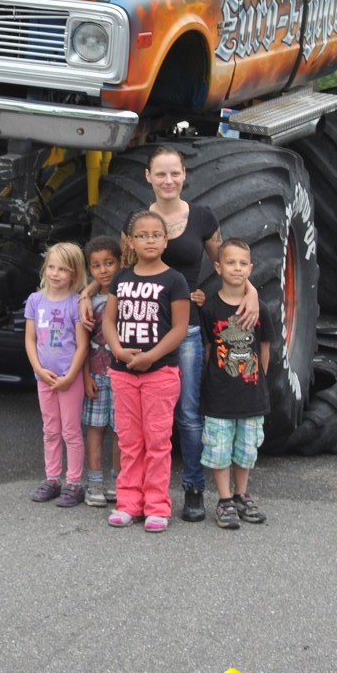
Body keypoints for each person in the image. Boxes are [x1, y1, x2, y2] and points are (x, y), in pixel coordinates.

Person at [80, 145, 259, 523]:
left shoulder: (202, 217)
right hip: (138, 335)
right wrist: (87, 293)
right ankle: (134, 496)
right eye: (160, 174)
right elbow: (117, 271)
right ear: (148, 177)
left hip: (186, 328)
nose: (168, 180)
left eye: (174, 173)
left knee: (188, 415)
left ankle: (193, 489)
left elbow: (225, 260)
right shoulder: (138, 221)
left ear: (183, 174)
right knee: (135, 425)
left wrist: (252, 291)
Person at [102, 210, 190, 533]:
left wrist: (150, 356)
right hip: (123, 373)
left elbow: (179, 329)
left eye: (156, 235)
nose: (149, 240)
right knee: (129, 440)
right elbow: (109, 321)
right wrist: (118, 350)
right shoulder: (121, 279)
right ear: (130, 241)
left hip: (160, 372)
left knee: (157, 440)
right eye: (142, 235)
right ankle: (128, 503)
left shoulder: (174, 280)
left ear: (166, 240)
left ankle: (156, 505)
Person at [200, 239, 272, 529]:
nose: (237, 268)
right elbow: (207, 350)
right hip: (219, 395)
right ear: (218, 267)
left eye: (243, 263)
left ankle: (242, 495)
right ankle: (224, 499)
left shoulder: (260, 309)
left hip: (252, 394)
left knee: (246, 449)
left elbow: (265, 347)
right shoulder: (210, 308)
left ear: (251, 267)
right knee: (218, 449)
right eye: (231, 262)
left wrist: (260, 379)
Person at [24, 242, 89, 507]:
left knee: (71, 431)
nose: (55, 273)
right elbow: (29, 340)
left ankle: (74, 483)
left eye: (63, 269)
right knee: (50, 429)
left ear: (74, 273)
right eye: (51, 267)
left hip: (68, 379)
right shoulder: (35, 300)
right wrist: (38, 369)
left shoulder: (76, 303)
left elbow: (82, 344)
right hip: (44, 378)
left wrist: (70, 376)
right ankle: (52, 479)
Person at [81, 235, 122, 507]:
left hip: (123, 375)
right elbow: (83, 342)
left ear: (120, 263)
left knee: (121, 431)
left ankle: (119, 481)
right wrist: (85, 376)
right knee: (96, 428)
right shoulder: (88, 301)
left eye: (109, 263)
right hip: (96, 373)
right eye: (96, 266)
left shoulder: (128, 293)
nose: (104, 270)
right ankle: (94, 482)